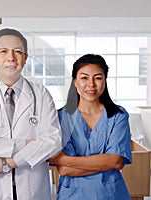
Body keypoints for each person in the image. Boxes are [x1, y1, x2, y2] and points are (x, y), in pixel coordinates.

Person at [0, 28, 62, 199]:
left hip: (33, 190)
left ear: (25, 58)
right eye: (3, 51)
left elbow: (53, 142)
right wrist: (28, 143)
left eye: (17, 51)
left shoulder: (41, 94)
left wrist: (6, 163)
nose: (11, 57)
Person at [49, 54, 132, 200]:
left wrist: (63, 159)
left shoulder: (118, 115)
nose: (91, 84)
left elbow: (115, 161)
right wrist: (104, 163)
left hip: (111, 194)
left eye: (98, 78)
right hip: (73, 195)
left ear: (105, 81)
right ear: (74, 81)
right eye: (84, 78)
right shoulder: (61, 117)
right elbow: (65, 170)